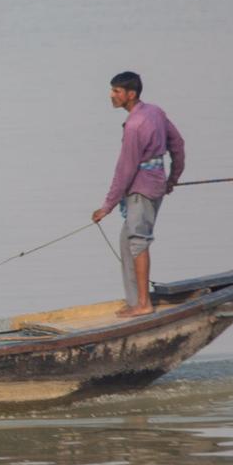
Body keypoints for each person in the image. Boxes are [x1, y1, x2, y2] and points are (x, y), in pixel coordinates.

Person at [91, 71, 185, 317]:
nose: (112, 96)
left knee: (137, 242)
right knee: (127, 242)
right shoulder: (154, 111)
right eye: (112, 90)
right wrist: (172, 178)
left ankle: (143, 304)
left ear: (131, 95)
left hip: (141, 189)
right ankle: (135, 301)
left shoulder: (135, 125)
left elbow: (125, 169)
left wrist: (107, 206)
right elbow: (178, 145)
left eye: (117, 92)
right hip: (155, 185)